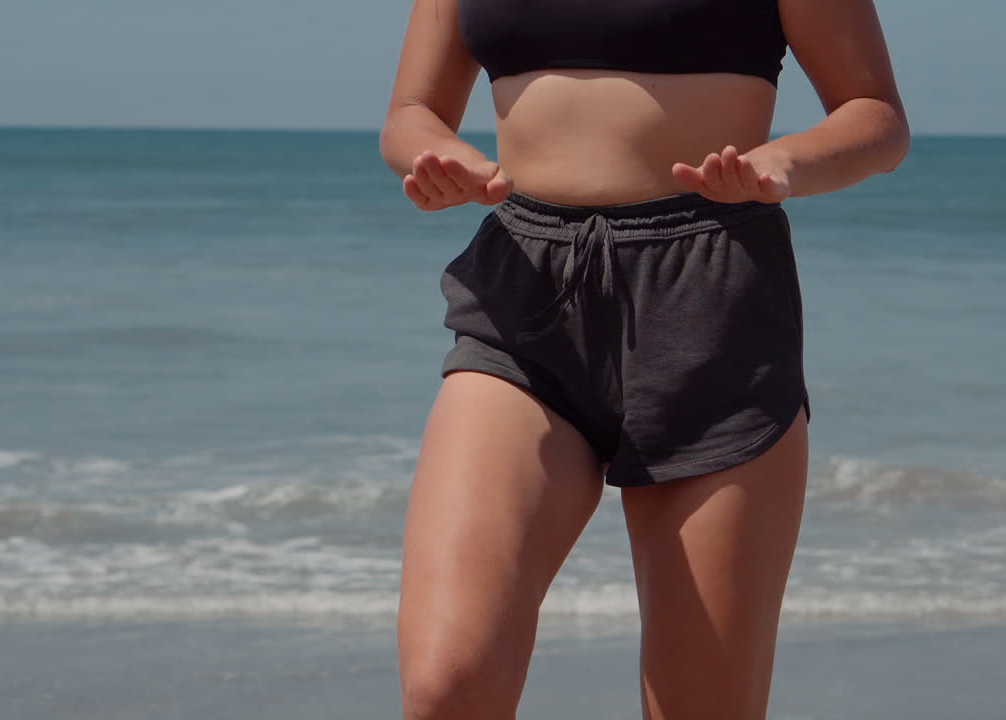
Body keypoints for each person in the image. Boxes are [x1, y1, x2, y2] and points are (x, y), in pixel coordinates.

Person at [379, 0, 908, 717]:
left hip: (711, 295)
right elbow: (413, 109)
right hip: (522, 290)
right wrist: (441, 161)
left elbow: (874, 114)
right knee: (448, 687)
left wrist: (783, 161)